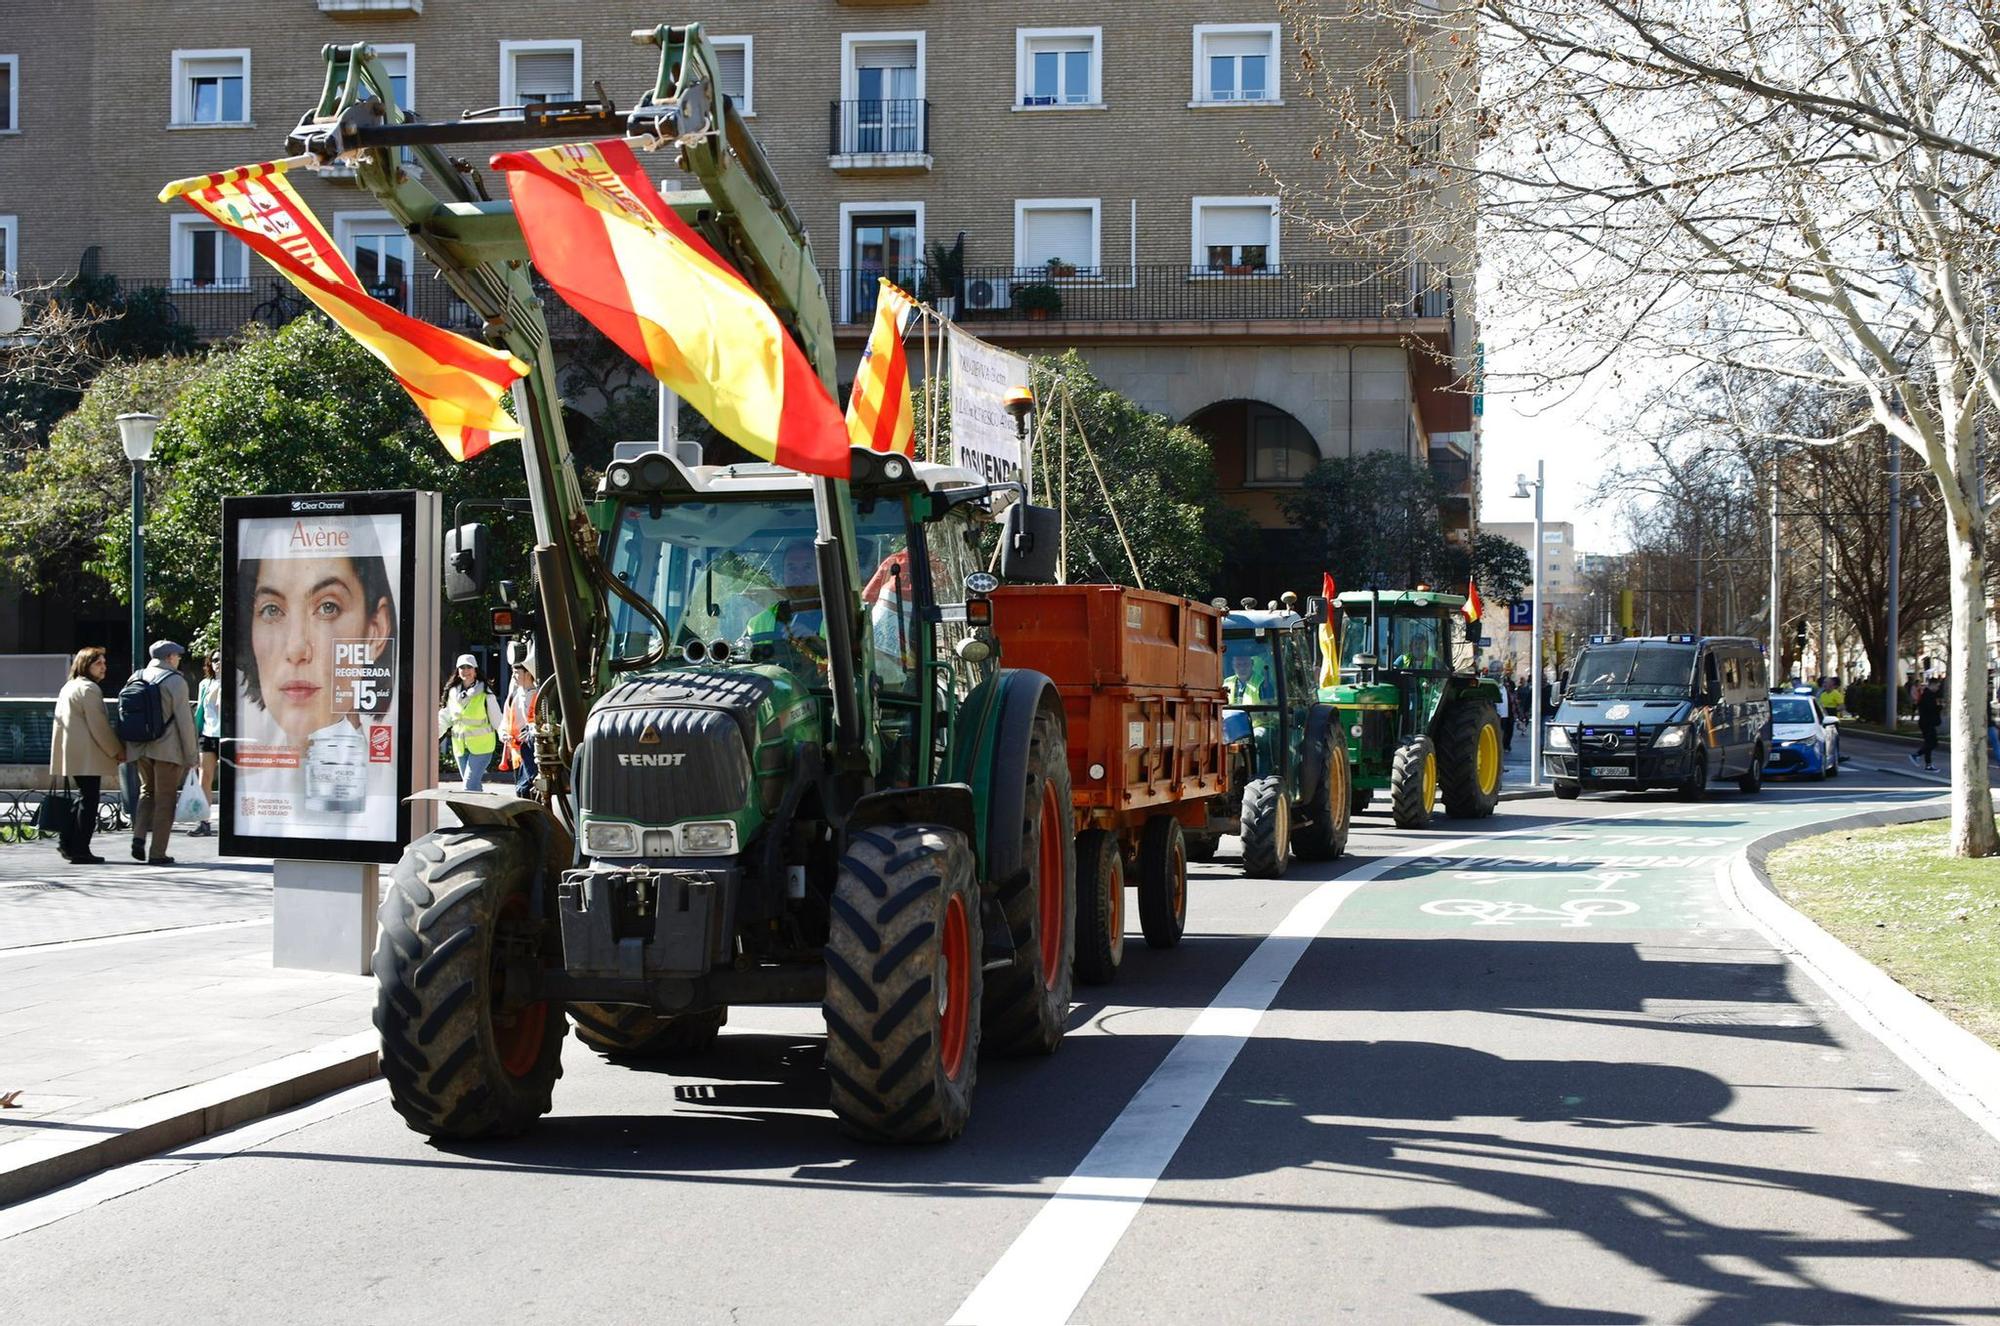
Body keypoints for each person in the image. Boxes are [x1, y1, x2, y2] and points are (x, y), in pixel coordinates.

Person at [49, 646, 125, 864]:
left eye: (104, 663)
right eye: (98, 663)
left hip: (72, 753)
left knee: (84, 798)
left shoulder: (69, 686)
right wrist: (116, 750)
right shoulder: (89, 689)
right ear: (86, 665)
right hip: (87, 755)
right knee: (89, 801)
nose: (104, 667)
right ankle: (80, 848)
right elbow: (99, 726)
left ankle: (68, 844)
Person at [127, 640, 199, 864]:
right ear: (169, 657)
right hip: (167, 751)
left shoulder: (136, 677)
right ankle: (158, 852)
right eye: (177, 656)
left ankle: (138, 837)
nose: (179, 660)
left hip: (141, 748)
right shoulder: (175, 681)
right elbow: (185, 722)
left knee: (147, 792)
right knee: (165, 800)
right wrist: (192, 757)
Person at [439, 655, 504, 792]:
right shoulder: (452, 693)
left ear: (475, 671)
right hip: (460, 748)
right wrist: (434, 735)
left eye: (469, 667)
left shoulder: (486, 693)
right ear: (458, 671)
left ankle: (478, 813)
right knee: (473, 786)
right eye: (462, 667)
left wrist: (504, 735)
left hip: (482, 747)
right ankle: (482, 812)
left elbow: (497, 718)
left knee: (469, 786)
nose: (466, 670)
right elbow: (446, 717)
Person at [192, 651, 222, 837]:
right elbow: (200, 712)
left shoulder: (237, 681)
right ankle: (203, 821)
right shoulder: (205, 684)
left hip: (228, 736)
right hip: (208, 734)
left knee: (231, 780)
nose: (218, 663)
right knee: (204, 777)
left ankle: (232, 822)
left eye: (221, 659)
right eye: (214, 660)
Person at [502, 662, 539, 796]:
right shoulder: (513, 697)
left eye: (516, 673)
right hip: (518, 755)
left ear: (528, 674)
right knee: (522, 791)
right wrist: (504, 734)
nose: (514, 676)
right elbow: (505, 721)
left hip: (533, 753)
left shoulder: (539, 696)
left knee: (527, 791)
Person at [1911, 678, 1943, 772]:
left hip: (1927, 722)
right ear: (1932, 685)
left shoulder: (1928, 694)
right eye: (1937, 686)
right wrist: (1939, 707)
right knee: (1933, 743)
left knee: (1929, 743)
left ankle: (1928, 765)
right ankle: (1916, 755)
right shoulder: (1928, 695)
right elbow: (1930, 709)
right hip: (1927, 722)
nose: (1938, 688)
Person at [1494, 672, 1513, 751]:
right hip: (1500, 713)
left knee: (1508, 730)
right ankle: (1500, 745)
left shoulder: (1507, 690)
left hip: (1507, 713)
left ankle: (1506, 745)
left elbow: (1512, 701)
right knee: (1500, 730)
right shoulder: (1496, 688)